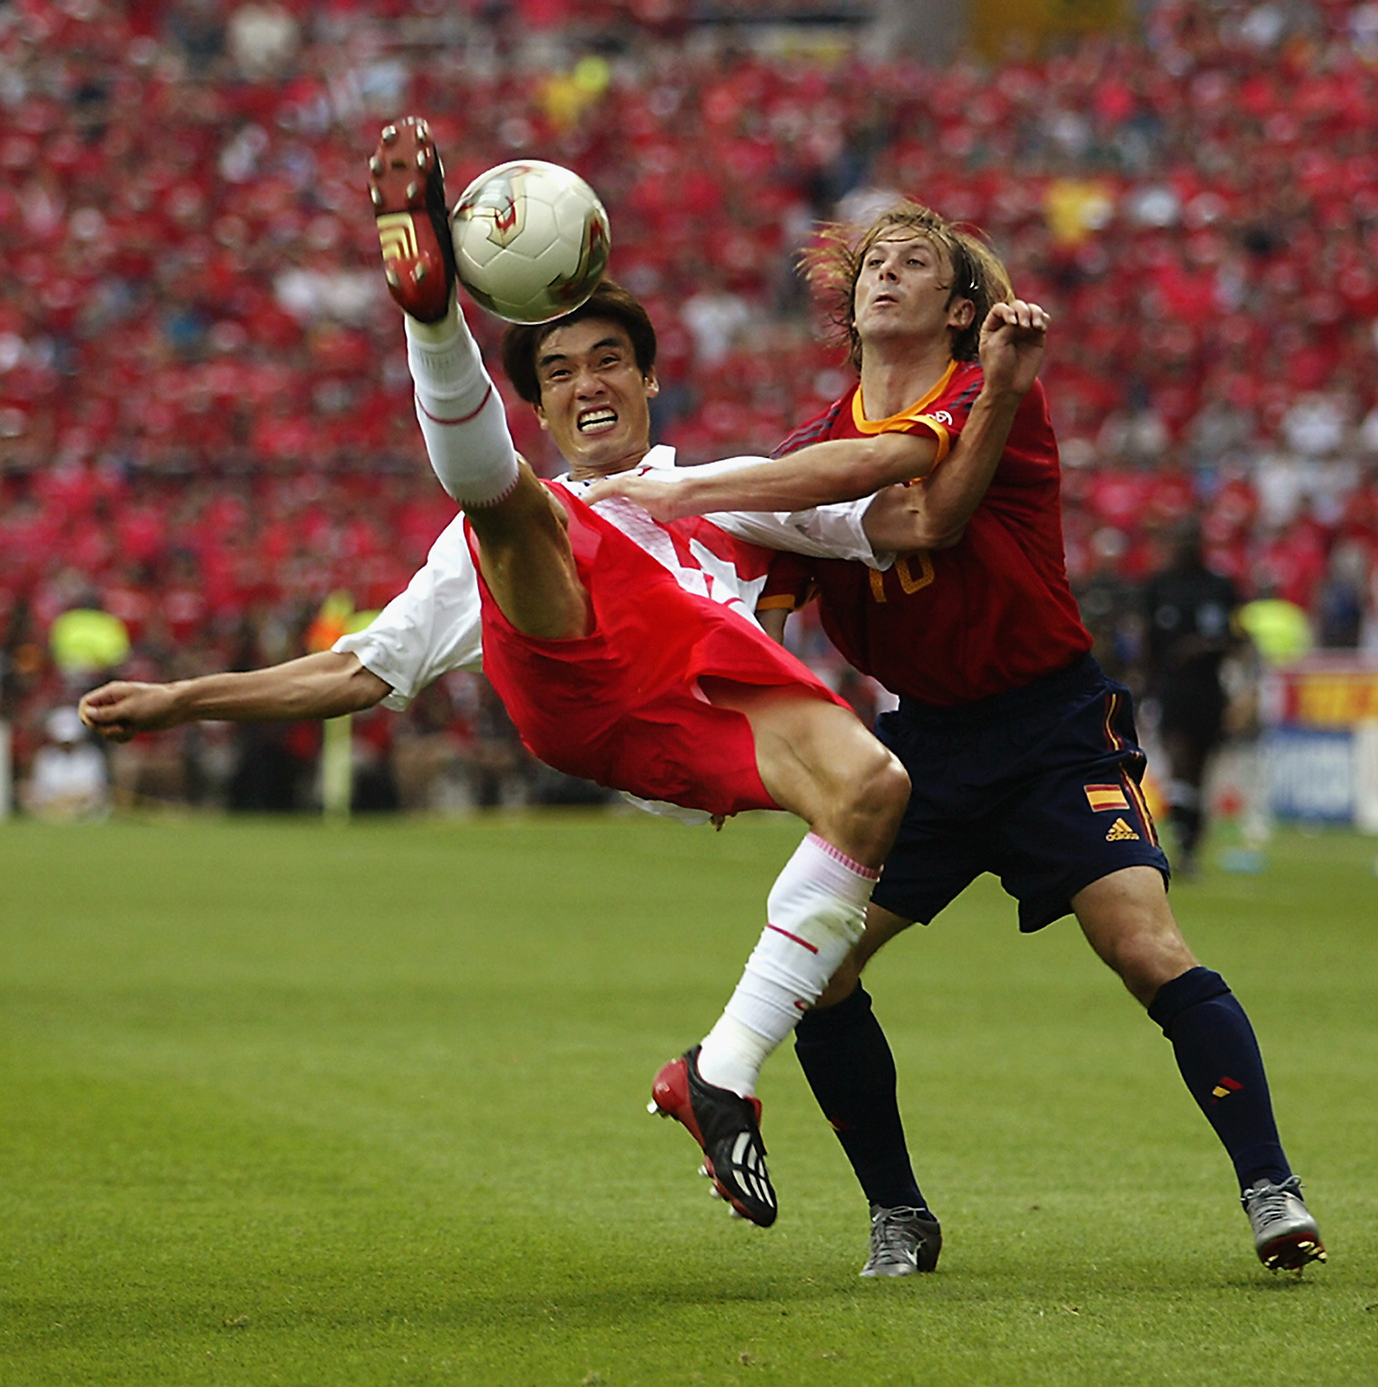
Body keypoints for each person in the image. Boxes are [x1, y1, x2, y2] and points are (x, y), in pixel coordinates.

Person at [81, 118, 1052, 1231]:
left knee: (877, 786)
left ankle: (719, 1071)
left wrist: (997, 396)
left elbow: (922, 515)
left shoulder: (738, 490)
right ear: (536, 407)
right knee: (517, 513)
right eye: (557, 372)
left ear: (647, 380)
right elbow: (363, 670)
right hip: (577, 682)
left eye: (607, 362)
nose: (587, 385)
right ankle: (433, 321)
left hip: (698, 713)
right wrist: (182, 699)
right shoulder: (529, 513)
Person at [586, 201, 1325, 1277]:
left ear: (961, 304)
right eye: (873, 263)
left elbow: (920, 503)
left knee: (1144, 943)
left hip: (1051, 724)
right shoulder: (807, 452)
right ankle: (900, 1212)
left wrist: (691, 480)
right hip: (922, 746)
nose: (884, 275)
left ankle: (1270, 1183)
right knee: (820, 967)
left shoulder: (992, 392)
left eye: (914, 262)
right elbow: (764, 607)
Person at [1141, 517, 1243, 875]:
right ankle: (1183, 843)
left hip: (1208, 690)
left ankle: (1190, 845)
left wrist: (1207, 647)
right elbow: (1147, 642)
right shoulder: (1158, 586)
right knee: (1179, 759)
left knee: (1201, 771)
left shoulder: (1220, 586)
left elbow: (1237, 636)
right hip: (1172, 689)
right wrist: (1144, 687)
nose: (1185, 547)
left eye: (1191, 539)